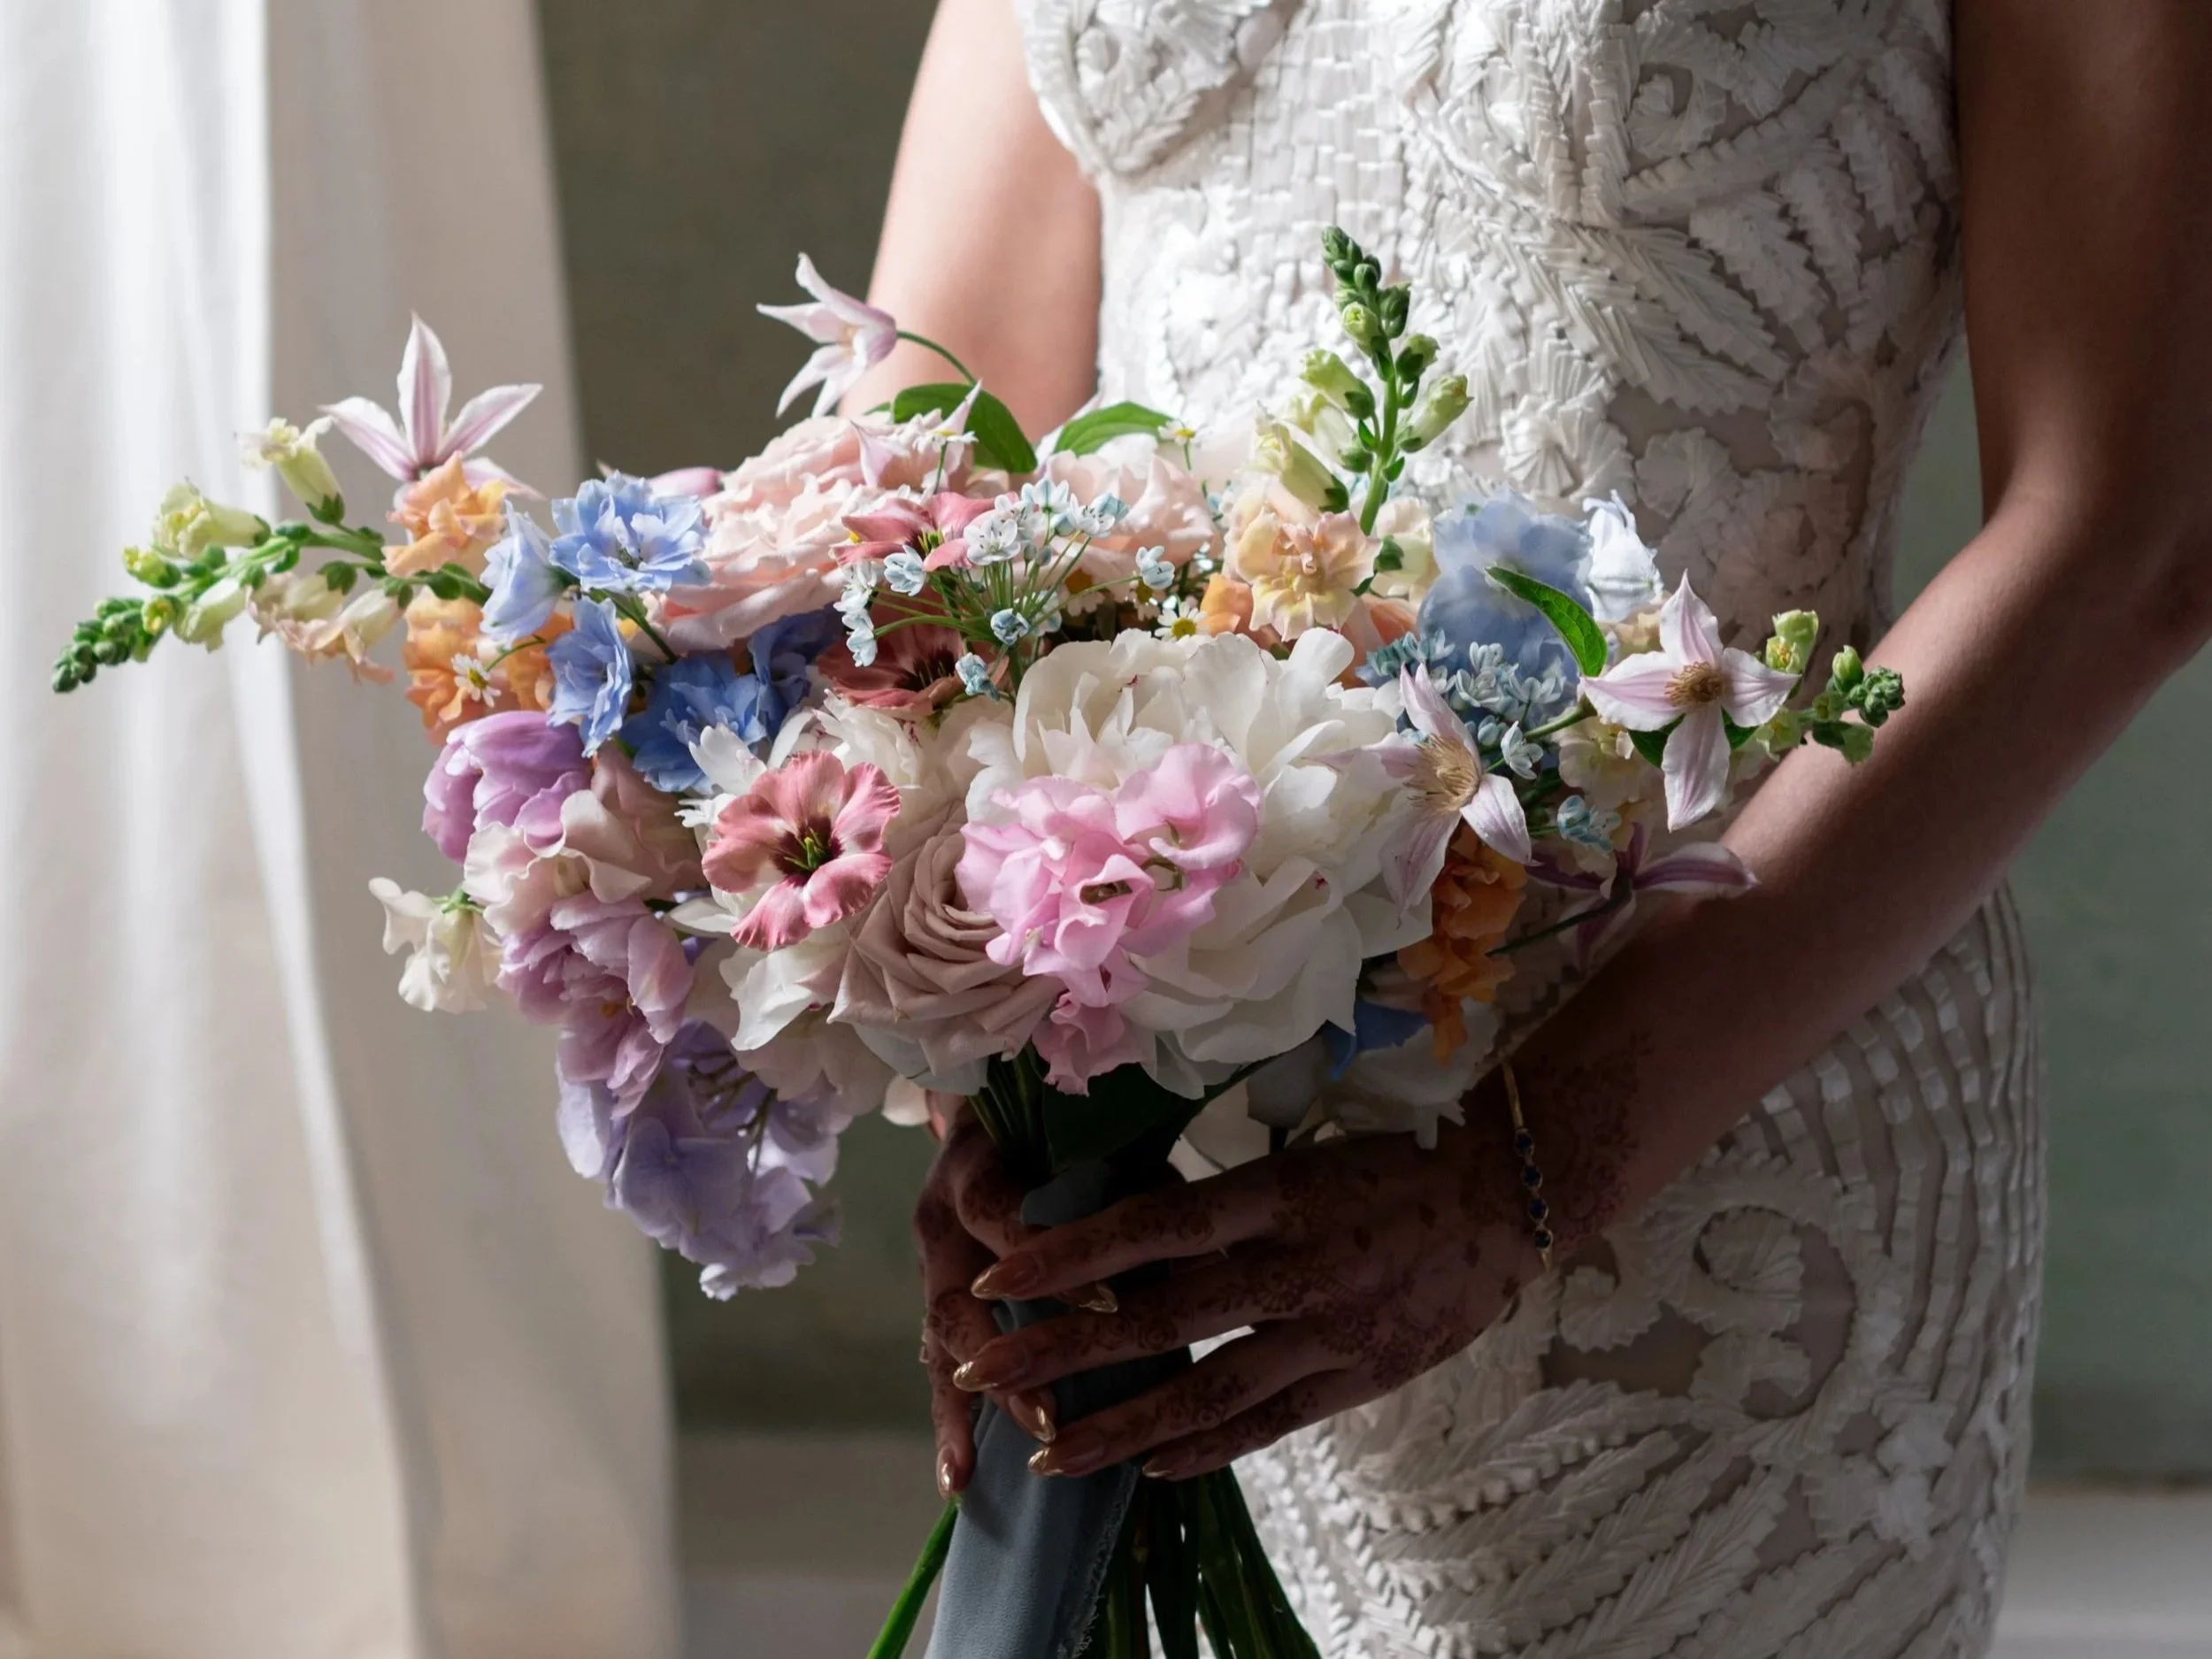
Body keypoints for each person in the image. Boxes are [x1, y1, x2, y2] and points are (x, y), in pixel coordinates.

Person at [854, 2, 2212, 1652]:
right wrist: (991, 1094)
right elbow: (935, 447)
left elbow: (2131, 525)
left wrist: (1524, 1173)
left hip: (1718, 1183)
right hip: (1174, 1190)